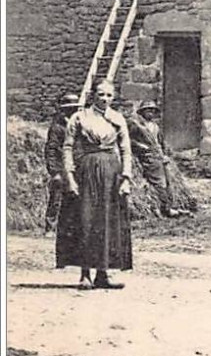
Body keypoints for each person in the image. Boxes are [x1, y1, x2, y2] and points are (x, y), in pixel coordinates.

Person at [58, 80, 135, 290]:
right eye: (101, 94)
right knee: (86, 220)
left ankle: (103, 273)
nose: (105, 99)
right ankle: (85, 274)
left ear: (114, 97)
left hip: (112, 174)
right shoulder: (79, 117)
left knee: (107, 222)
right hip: (87, 172)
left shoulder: (117, 119)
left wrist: (126, 178)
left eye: (109, 95)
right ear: (93, 95)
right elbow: (67, 148)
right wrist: (70, 178)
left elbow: (126, 150)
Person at [127, 102, 178, 217]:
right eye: (147, 110)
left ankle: (171, 205)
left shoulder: (155, 127)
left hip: (159, 155)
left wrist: (165, 154)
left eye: (153, 110)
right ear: (142, 112)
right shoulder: (136, 125)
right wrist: (141, 147)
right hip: (148, 156)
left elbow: (161, 142)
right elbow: (129, 140)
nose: (150, 112)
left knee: (168, 181)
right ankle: (164, 208)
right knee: (159, 182)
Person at [43, 92, 79, 233]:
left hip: (75, 166)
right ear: (64, 109)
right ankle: (50, 228)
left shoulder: (78, 124)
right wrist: (54, 172)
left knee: (75, 198)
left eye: (75, 108)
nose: (72, 111)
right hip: (61, 167)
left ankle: (70, 228)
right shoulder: (57, 127)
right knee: (56, 199)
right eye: (69, 108)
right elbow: (51, 150)